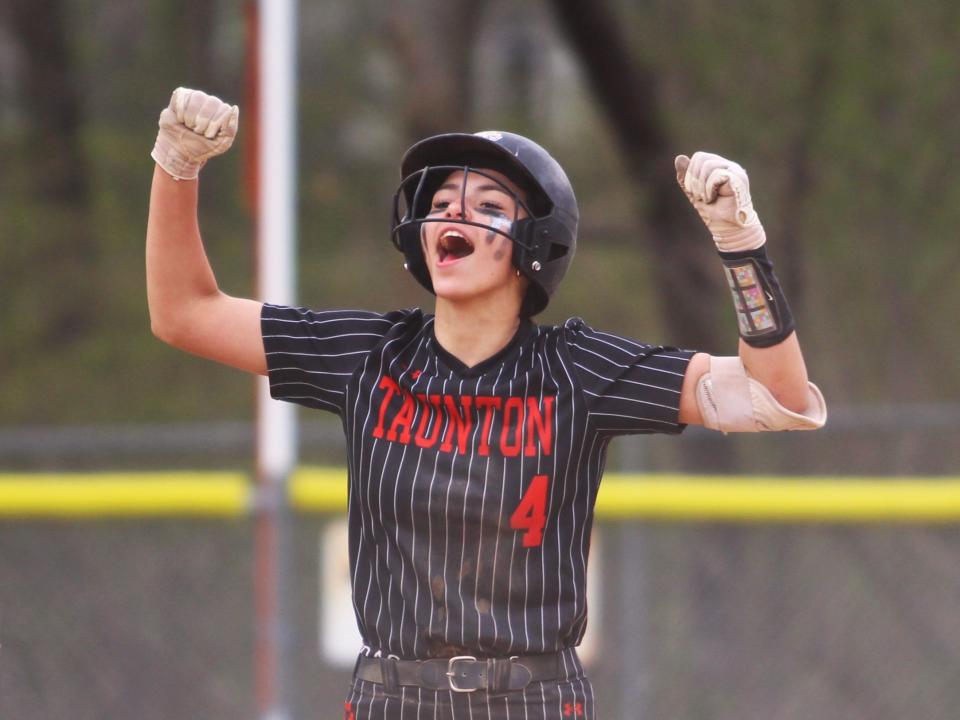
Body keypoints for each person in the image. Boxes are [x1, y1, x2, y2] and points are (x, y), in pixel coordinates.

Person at [147, 87, 826, 720]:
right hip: (392, 699)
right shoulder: (370, 356)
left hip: (532, 698)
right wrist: (176, 167)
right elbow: (184, 312)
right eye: (441, 201)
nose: (453, 213)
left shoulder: (575, 370)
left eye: (489, 206)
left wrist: (742, 249)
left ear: (536, 247)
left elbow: (775, 396)